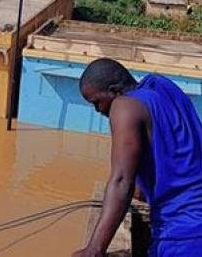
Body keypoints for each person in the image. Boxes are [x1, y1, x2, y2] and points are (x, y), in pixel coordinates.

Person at [73, 58, 202, 257]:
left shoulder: (123, 106)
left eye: (97, 102)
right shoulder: (162, 87)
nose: (98, 111)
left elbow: (122, 180)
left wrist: (94, 249)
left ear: (115, 91)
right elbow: (173, 152)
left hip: (184, 235)